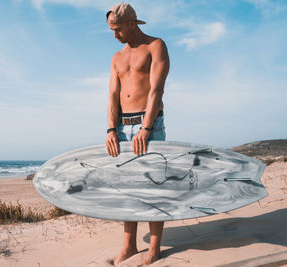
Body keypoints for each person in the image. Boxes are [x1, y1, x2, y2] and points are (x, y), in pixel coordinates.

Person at [104, 2, 170, 266]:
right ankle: (129, 246)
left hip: (148, 124)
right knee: (126, 189)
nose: (114, 35)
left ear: (132, 24)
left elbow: (157, 89)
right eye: (111, 30)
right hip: (122, 126)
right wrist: (111, 129)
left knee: (154, 186)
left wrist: (146, 127)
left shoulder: (156, 46)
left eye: (117, 29)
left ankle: (154, 249)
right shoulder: (116, 57)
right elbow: (112, 95)